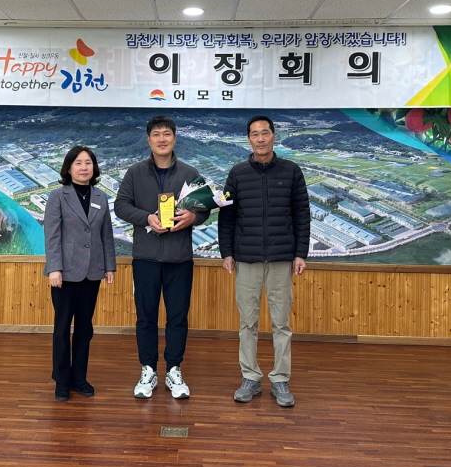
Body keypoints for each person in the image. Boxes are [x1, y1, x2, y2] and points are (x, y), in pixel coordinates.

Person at [218, 115, 310, 407]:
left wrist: (301, 253)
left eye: (265, 133)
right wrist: (227, 253)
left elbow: (302, 214)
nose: (260, 138)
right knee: (248, 322)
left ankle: (280, 379)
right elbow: (227, 217)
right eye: (255, 134)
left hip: (282, 258)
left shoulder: (291, 171)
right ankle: (250, 377)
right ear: (249, 139)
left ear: (273, 136)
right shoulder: (237, 173)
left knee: (281, 323)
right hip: (246, 258)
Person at [114, 115, 210, 399]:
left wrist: (193, 217)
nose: (162, 139)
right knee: (146, 317)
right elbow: (121, 206)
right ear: (148, 140)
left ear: (174, 138)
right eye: (156, 134)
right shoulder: (134, 172)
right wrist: (146, 218)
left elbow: (205, 209)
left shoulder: (190, 172)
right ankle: (148, 369)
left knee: (178, 317)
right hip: (145, 258)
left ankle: (174, 370)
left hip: (180, 259)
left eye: (167, 133)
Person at [44, 146, 116, 401]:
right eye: (78, 163)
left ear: (94, 167)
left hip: (92, 272)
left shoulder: (101, 196)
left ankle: (79, 378)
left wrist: (109, 266)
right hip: (64, 273)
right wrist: (54, 268)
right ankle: (62, 381)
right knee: (62, 328)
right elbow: (52, 235)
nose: (84, 167)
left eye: (88, 163)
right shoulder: (58, 196)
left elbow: (106, 235)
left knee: (85, 328)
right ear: (69, 167)